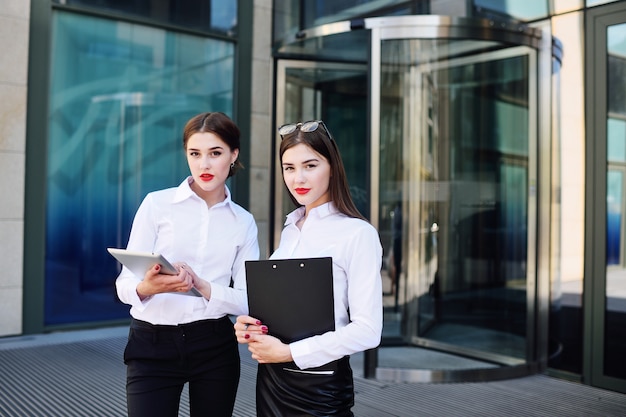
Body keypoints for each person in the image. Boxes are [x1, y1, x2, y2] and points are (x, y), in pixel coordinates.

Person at [115, 112, 259, 417]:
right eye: (195, 154)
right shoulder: (156, 204)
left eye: (215, 153)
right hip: (151, 343)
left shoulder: (243, 222)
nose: (204, 164)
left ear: (234, 155)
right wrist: (146, 287)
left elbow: (249, 298)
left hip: (214, 346)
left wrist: (203, 286)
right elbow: (123, 285)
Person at [235, 120, 383, 416]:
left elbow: (368, 331)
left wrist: (289, 352)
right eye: (289, 168)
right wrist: (250, 326)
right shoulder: (291, 229)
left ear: (332, 166)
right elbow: (288, 309)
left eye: (310, 165)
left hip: (320, 388)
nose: (297, 177)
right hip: (272, 380)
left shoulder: (357, 233)